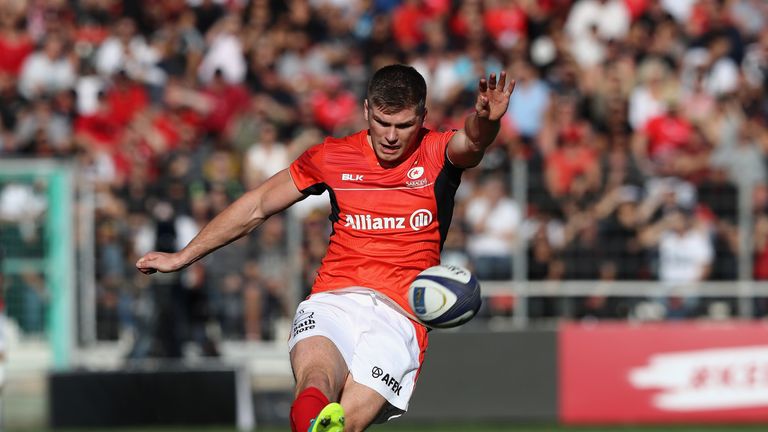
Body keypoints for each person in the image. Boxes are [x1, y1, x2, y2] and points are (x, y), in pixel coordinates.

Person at [136, 64, 515, 432]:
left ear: (423, 117)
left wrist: (487, 121)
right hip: (335, 298)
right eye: (382, 123)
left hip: (400, 319)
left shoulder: (437, 152)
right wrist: (184, 255)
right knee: (315, 381)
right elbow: (257, 205)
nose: (391, 136)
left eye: (404, 125)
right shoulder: (332, 156)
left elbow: (473, 141)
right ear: (366, 111)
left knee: (344, 424)